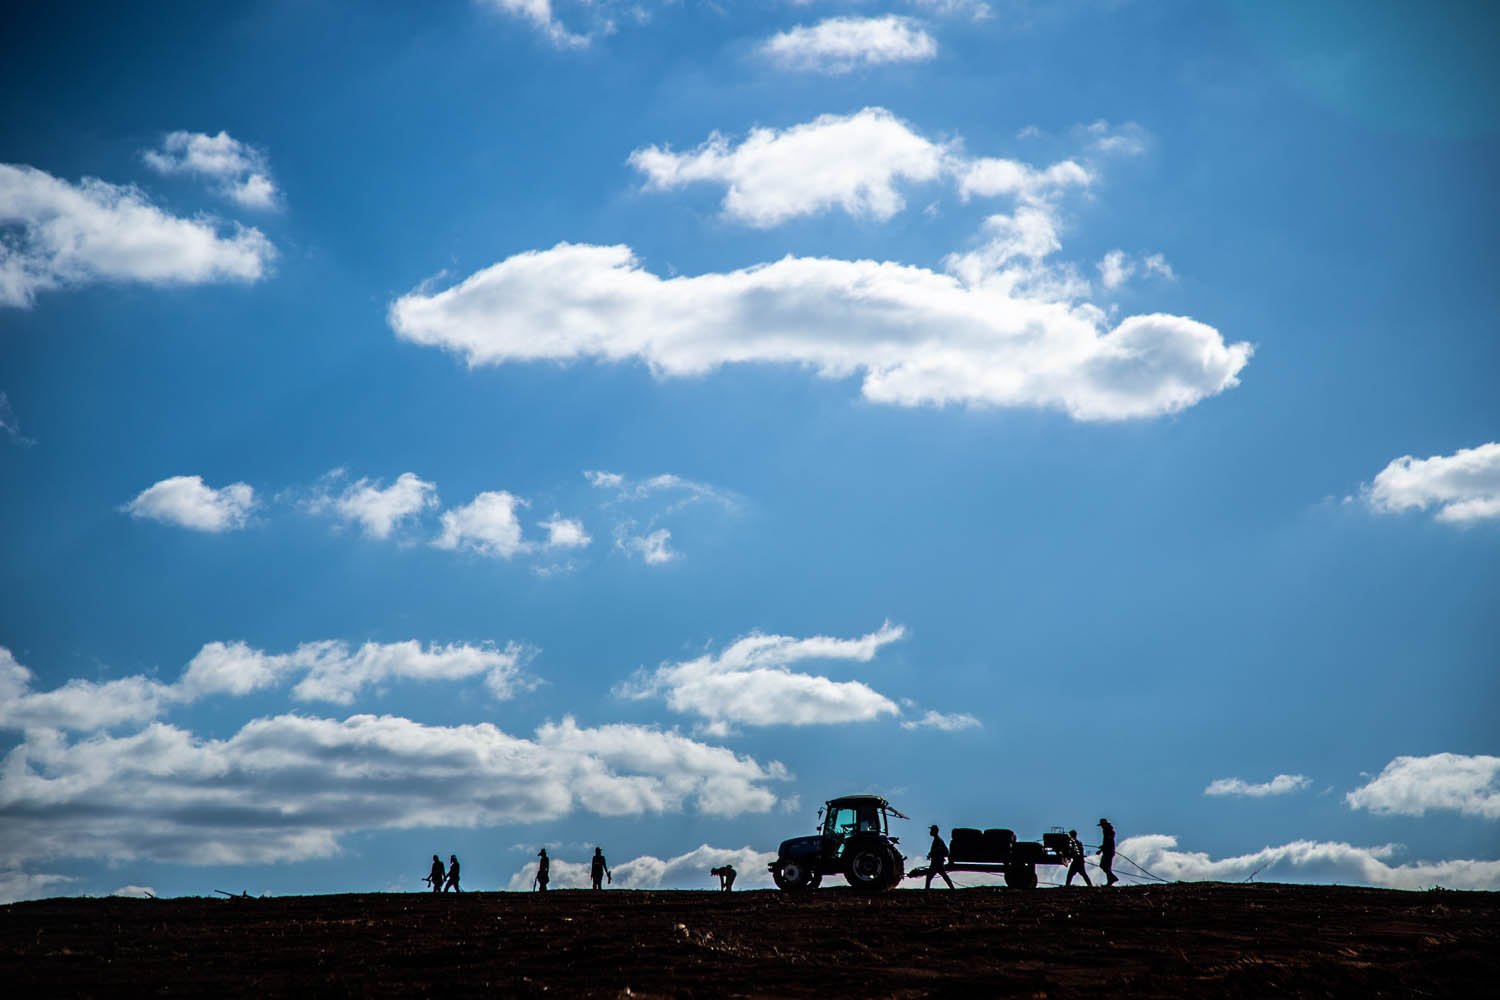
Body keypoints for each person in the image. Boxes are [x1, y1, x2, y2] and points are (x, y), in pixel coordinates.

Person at [925, 824, 955, 889]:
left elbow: (937, 850)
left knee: (929, 876)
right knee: (943, 875)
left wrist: (931, 854)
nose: (930, 832)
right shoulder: (938, 839)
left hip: (936, 862)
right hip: (938, 861)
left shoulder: (937, 840)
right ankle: (952, 888)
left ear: (934, 831)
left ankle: (926, 891)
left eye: (931, 830)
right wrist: (931, 854)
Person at [1098, 817, 1119, 886]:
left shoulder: (1107, 831)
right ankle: (1110, 881)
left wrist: (1101, 849)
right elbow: (1107, 841)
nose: (1101, 827)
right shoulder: (1110, 831)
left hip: (1108, 851)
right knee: (1107, 866)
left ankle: (1113, 878)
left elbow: (1108, 841)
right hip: (1109, 850)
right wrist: (1102, 847)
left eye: (1102, 825)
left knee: (1103, 865)